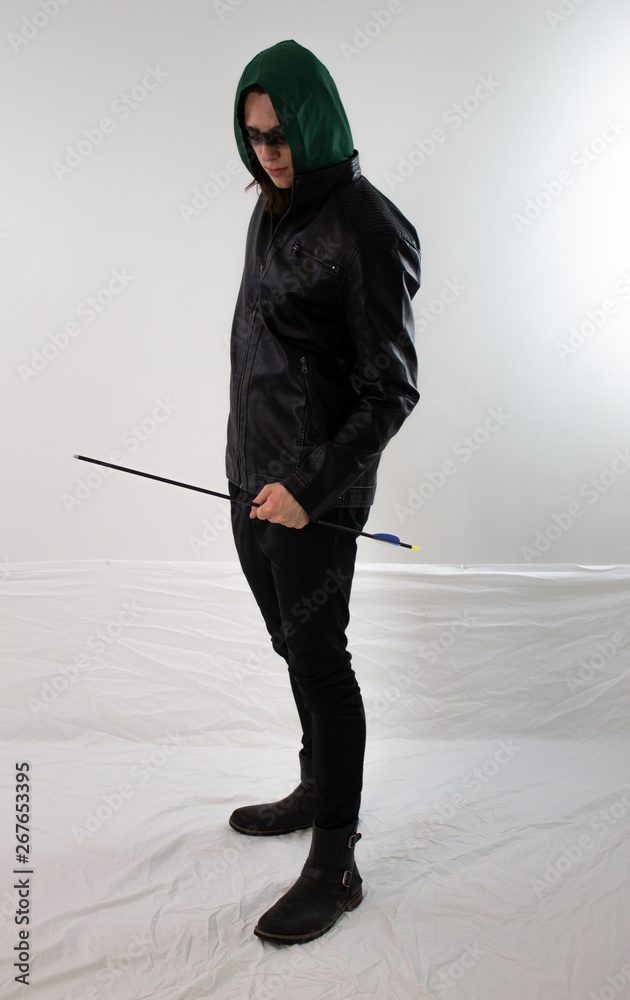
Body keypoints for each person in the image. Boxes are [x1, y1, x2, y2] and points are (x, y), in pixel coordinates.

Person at [225, 39, 421, 944]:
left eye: (282, 133)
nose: (268, 151)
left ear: (318, 122)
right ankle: (315, 785)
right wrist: (250, 469)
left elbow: (391, 390)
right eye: (254, 135)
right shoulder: (270, 209)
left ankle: (336, 864)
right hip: (249, 477)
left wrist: (309, 487)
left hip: (315, 493)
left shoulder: (367, 228)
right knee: (290, 646)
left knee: (320, 660)